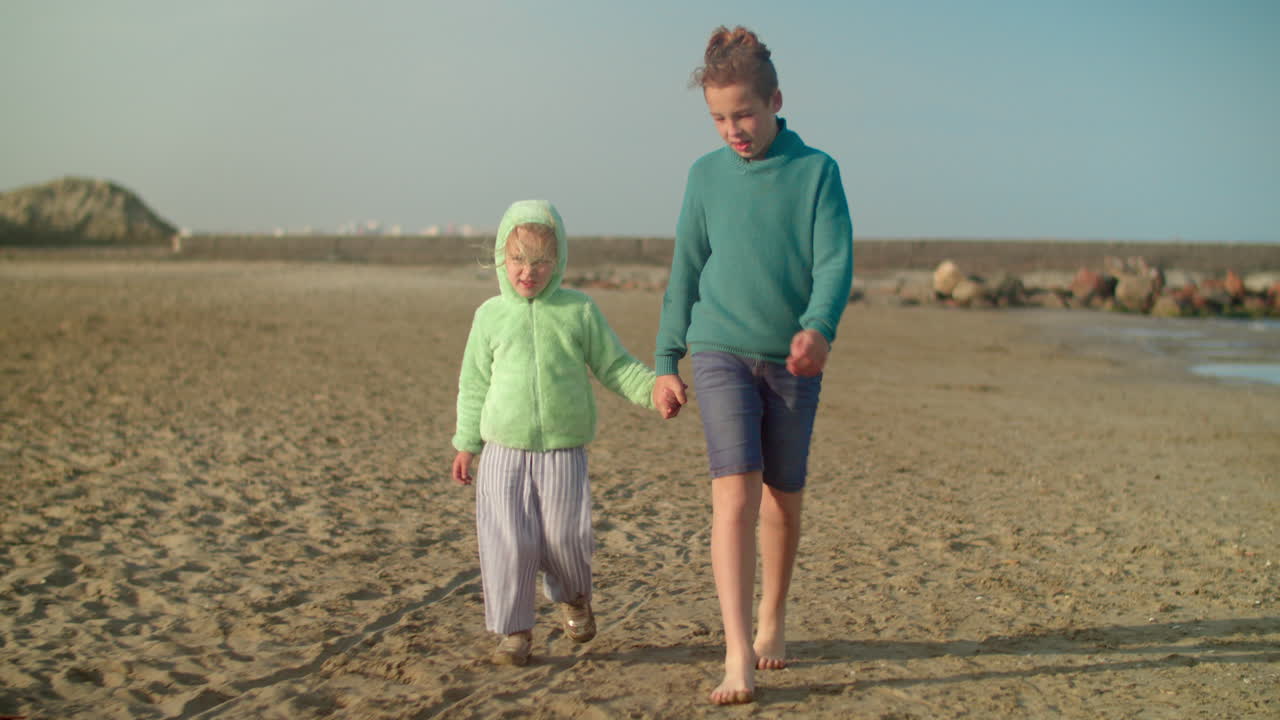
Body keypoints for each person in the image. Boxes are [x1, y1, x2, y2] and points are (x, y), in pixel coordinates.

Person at [652, 26, 854, 704]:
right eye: (718, 118)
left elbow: (833, 264)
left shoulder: (817, 172)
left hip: (792, 359)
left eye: (743, 113)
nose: (732, 129)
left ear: (775, 101)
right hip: (718, 351)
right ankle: (736, 654)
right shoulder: (703, 177)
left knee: (783, 500)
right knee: (734, 492)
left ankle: (772, 620)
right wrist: (665, 359)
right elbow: (685, 271)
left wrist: (818, 330)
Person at [452, 199, 677, 667]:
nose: (527, 272)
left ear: (558, 262)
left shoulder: (578, 310)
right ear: (500, 258)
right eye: (517, 260)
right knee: (507, 542)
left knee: (565, 538)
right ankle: (515, 633)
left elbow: (613, 366)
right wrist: (465, 444)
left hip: (562, 451)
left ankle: (574, 596)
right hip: (501, 450)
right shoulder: (489, 316)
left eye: (539, 262)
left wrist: (652, 390)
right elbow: (473, 383)